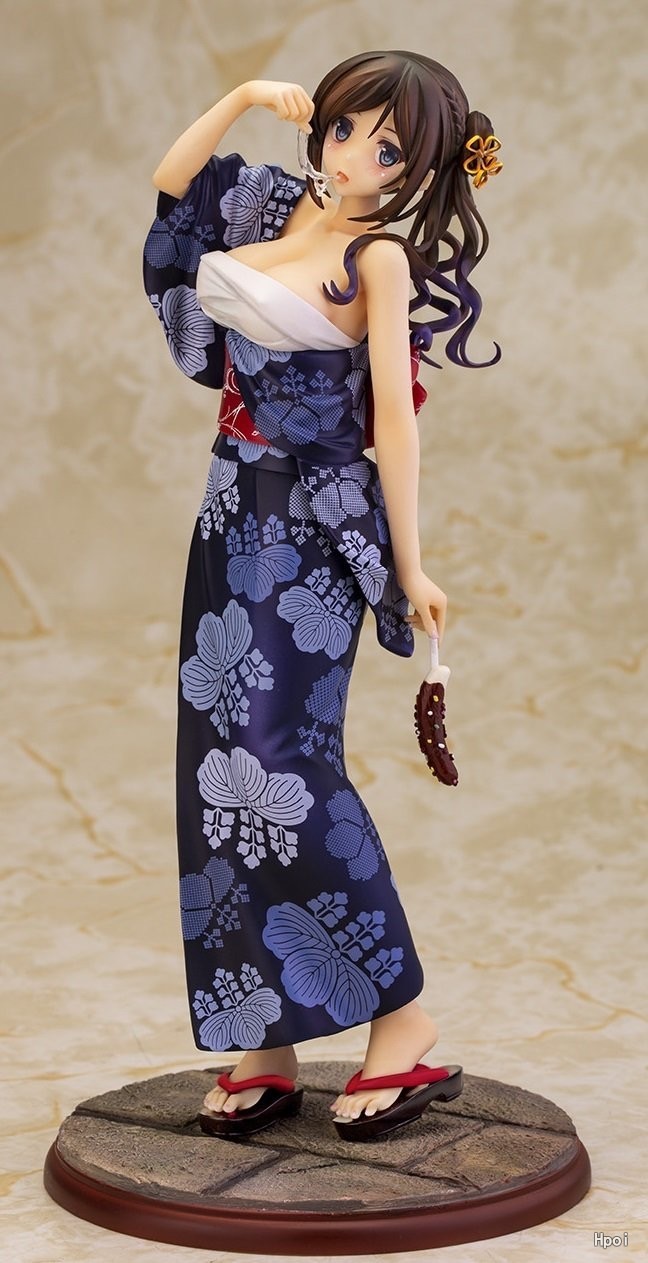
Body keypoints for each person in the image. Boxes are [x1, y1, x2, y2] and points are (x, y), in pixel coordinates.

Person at [143, 49, 501, 1141]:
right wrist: (245, 96)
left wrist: (411, 561)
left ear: (421, 170)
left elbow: (393, 421)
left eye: (387, 149)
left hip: (312, 529)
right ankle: (267, 1032)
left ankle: (402, 1019)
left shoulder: (378, 256)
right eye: (345, 129)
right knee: (214, 770)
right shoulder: (267, 201)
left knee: (282, 763)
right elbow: (171, 188)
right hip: (229, 513)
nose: (353, 158)